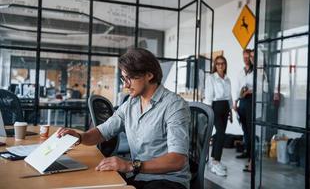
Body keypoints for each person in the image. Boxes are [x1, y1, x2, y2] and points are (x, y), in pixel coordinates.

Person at [57, 48, 191, 189]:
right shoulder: (130, 105)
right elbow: (102, 132)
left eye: (130, 78)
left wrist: (129, 165)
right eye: (123, 78)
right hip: (138, 176)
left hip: (168, 180)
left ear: (149, 75)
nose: (125, 85)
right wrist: (80, 136)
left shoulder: (174, 105)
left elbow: (177, 160)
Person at [204, 56, 233, 177]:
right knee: (221, 133)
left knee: (220, 133)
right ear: (215, 66)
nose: (220, 66)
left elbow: (229, 96)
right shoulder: (211, 78)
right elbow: (209, 95)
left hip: (226, 107)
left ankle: (213, 160)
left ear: (225, 65)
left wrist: (230, 110)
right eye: (218, 64)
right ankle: (216, 161)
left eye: (222, 64)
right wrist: (208, 111)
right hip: (215, 106)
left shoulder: (227, 79)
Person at [233, 49, 254, 172]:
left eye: (248, 57)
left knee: (250, 129)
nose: (246, 59)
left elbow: (259, 87)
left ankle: (252, 156)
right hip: (242, 101)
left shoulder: (255, 71)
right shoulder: (241, 72)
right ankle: (246, 151)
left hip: (251, 100)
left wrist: (248, 92)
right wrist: (235, 102)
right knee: (245, 128)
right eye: (244, 57)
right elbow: (237, 87)